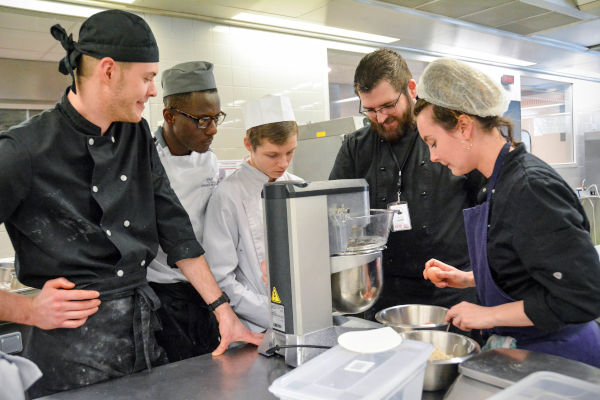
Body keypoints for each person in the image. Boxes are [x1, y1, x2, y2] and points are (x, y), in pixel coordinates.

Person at [0, 10, 261, 397]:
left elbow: (174, 229)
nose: (153, 90)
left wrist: (223, 311)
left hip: (144, 339)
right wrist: (28, 311)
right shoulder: (21, 150)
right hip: (69, 356)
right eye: (147, 77)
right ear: (108, 71)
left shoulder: (135, 135)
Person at [415, 58, 600, 367]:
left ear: (463, 126)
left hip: (562, 358)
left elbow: (583, 294)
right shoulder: (497, 183)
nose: (433, 157)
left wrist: (487, 315)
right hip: (529, 353)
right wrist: (470, 278)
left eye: (432, 143)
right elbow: (530, 268)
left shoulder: (530, 188)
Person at [329, 49, 484, 318]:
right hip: (382, 293)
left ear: (411, 89)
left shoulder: (446, 136)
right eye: (370, 109)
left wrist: (479, 277)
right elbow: (334, 213)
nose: (380, 118)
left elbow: (486, 213)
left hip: (450, 289)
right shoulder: (356, 147)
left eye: (388, 105)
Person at [146, 61, 225, 361]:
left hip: (205, 290)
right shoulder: (146, 160)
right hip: (163, 295)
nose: (213, 129)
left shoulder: (209, 161)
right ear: (170, 115)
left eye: (216, 117)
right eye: (203, 120)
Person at [203, 95, 301, 332]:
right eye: (273, 155)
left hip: (303, 313)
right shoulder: (227, 196)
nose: (284, 163)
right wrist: (270, 313)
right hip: (253, 326)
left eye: (290, 152)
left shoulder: (299, 187)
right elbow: (221, 277)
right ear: (248, 144)